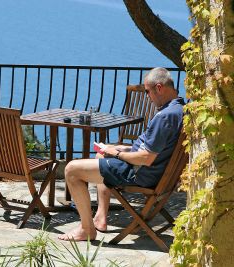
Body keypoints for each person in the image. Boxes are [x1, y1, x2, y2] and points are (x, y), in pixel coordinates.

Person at [58, 67, 185, 241]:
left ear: (159, 88)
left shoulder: (165, 116)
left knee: (72, 170)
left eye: (147, 91)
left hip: (140, 174)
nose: (147, 96)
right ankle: (100, 217)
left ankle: (86, 229)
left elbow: (146, 158)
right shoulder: (179, 109)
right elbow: (151, 149)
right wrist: (120, 149)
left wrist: (117, 154)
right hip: (156, 173)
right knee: (102, 155)